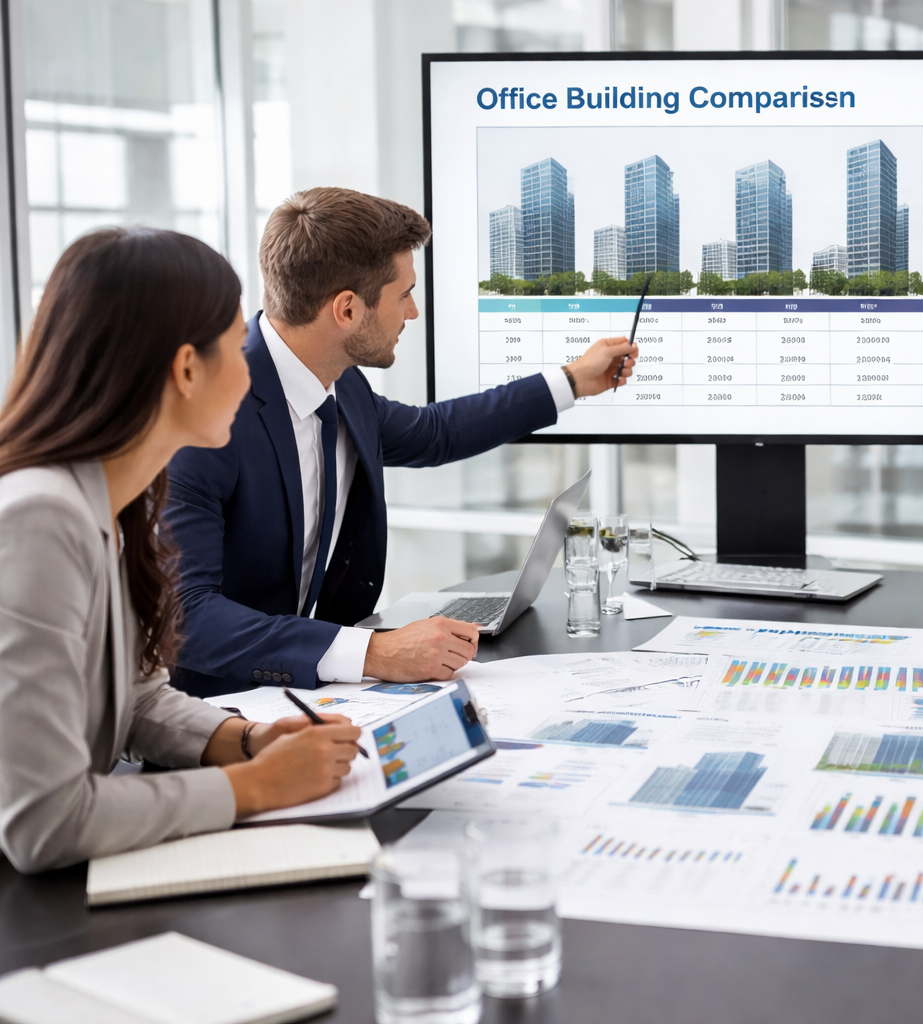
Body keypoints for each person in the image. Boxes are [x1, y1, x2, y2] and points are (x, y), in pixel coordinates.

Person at [165, 187, 636, 697]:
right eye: (403, 294)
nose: (411, 312)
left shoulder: (341, 385)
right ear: (347, 309)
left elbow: (435, 433)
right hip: (213, 708)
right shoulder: (207, 414)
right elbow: (185, 615)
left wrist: (572, 381)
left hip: (306, 694)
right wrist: (376, 652)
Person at [0, 228, 365, 872]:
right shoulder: (40, 518)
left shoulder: (108, 499)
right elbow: (43, 822)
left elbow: (136, 699)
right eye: (237, 345)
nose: (251, 368)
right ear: (187, 369)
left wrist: (247, 740)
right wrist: (254, 787)